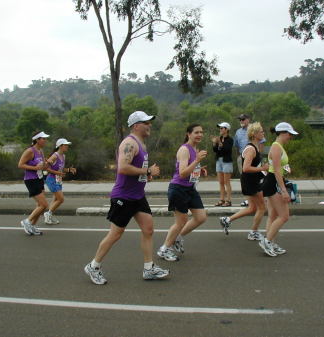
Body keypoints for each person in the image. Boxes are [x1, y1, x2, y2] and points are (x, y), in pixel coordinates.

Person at [84, 111, 169, 285]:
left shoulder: (141, 144)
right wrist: (147, 171)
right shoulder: (129, 143)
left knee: (148, 229)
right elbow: (122, 167)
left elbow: (135, 170)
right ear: (136, 125)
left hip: (137, 196)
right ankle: (93, 266)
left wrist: (146, 175)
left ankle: (149, 268)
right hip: (124, 196)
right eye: (146, 122)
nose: (149, 125)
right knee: (116, 234)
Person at [157, 124, 208, 262]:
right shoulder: (184, 149)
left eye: (201, 132)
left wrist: (199, 169)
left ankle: (177, 238)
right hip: (178, 188)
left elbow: (190, 170)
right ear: (188, 134)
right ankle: (164, 249)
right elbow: (183, 172)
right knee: (181, 222)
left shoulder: (194, 148)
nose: (199, 135)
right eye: (196, 132)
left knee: (201, 217)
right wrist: (197, 160)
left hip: (190, 188)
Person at [219, 122, 269, 239]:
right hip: (250, 182)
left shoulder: (255, 147)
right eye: (261, 131)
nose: (263, 133)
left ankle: (227, 219)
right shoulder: (251, 149)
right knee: (262, 208)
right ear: (255, 134)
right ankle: (253, 232)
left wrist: (262, 168)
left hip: (251, 181)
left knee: (252, 208)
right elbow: (245, 168)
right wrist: (262, 168)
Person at [259, 122, 298, 257]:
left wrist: (287, 168)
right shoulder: (276, 147)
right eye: (289, 134)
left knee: (273, 216)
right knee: (284, 216)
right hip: (273, 183)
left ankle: (271, 243)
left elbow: (280, 166)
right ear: (283, 133)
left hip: (272, 182)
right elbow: (275, 170)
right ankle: (267, 241)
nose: (290, 137)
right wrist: (284, 190)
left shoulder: (279, 146)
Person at [18, 131, 50, 236]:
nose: (45, 140)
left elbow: (43, 166)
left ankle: (32, 225)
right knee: (44, 205)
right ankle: (27, 221)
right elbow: (20, 164)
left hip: (39, 179)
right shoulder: (30, 151)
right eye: (43, 139)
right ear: (37, 140)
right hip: (31, 180)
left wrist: (46, 164)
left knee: (39, 205)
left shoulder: (40, 151)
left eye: (45, 138)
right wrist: (35, 168)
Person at [44, 138, 77, 225]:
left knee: (56, 198)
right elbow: (46, 168)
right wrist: (57, 172)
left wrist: (69, 169)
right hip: (51, 179)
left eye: (67, 145)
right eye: (65, 145)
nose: (67, 147)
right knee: (61, 199)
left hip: (58, 180)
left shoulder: (63, 156)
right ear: (60, 146)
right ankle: (48, 214)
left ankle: (49, 216)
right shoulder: (55, 156)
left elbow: (61, 168)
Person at [212, 122, 234, 207]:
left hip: (226, 161)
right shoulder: (219, 138)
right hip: (219, 161)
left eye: (222, 128)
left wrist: (220, 144)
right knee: (221, 182)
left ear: (227, 129)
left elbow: (227, 150)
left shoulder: (230, 139)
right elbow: (215, 150)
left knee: (226, 182)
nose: (220, 130)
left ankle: (228, 200)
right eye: (220, 128)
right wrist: (214, 143)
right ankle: (222, 199)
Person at [234, 114, 251, 207]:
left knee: (254, 177)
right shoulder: (238, 132)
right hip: (242, 156)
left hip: (252, 157)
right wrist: (239, 157)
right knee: (244, 178)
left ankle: (256, 198)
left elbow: (261, 143)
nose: (241, 121)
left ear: (248, 120)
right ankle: (247, 199)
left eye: (243, 119)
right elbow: (236, 145)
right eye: (240, 120)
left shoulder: (253, 129)